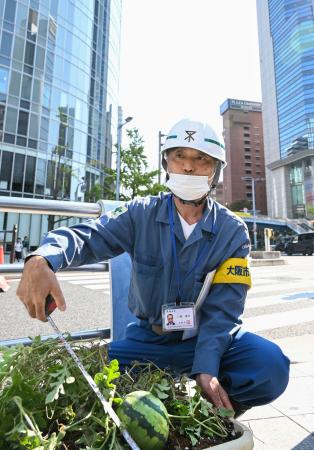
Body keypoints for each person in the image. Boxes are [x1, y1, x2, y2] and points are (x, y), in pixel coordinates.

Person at [16, 118, 290, 418]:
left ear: (216, 171)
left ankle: (211, 417)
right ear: (166, 163)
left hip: (208, 339)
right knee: (74, 376)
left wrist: (206, 368)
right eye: (179, 157)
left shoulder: (232, 231)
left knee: (269, 365)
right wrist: (42, 258)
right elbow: (91, 236)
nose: (188, 167)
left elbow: (225, 310)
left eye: (201, 160)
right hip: (149, 341)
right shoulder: (139, 213)